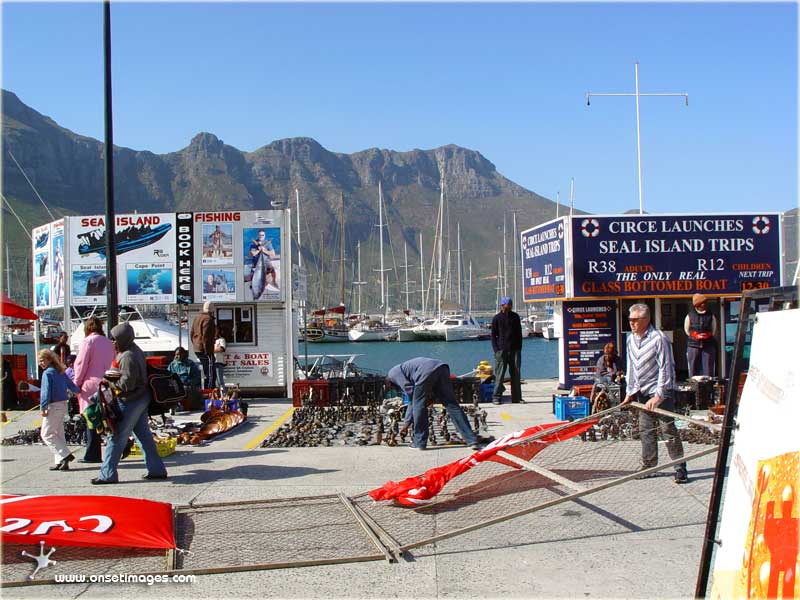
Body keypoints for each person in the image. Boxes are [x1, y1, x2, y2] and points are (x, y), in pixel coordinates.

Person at [620, 303, 688, 484]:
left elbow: (666, 368)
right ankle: (649, 465)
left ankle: (680, 467)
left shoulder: (659, 339)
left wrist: (658, 396)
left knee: (668, 430)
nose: (632, 323)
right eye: (630, 320)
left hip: (660, 391)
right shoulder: (630, 339)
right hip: (642, 391)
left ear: (646, 320)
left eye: (635, 320)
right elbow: (631, 367)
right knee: (646, 430)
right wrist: (630, 392)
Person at [92, 323, 168, 484]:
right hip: (141, 398)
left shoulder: (127, 356)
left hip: (130, 401)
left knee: (116, 436)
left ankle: (107, 474)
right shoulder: (135, 350)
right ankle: (157, 470)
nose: (112, 342)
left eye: (114, 339)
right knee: (144, 437)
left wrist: (108, 382)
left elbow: (127, 384)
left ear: (122, 339)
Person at [385, 357, 494, 451]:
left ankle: (419, 442)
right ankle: (471, 440)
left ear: (389, 383)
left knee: (419, 406)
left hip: (425, 371)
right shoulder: (402, 369)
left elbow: (412, 398)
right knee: (452, 405)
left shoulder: (393, 374)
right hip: (442, 367)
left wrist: (406, 423)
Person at [72, 316, 116, 463]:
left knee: (91, 419)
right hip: (107, 384)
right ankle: (121, 446)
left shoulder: (88, 342)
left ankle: (92, 454)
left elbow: (80, 365)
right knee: (108, 418)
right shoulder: (109, 343)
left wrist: (75, 384)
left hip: (90, 385)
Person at [38, 349, 80, 471]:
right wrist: (80, 391)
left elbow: (45, 392)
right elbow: (71, 386)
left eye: (42, 360)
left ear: (49, 360)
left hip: (53, 405)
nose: (40, 363)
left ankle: (65, 454)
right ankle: (60, 461)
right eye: (39, 361)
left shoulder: (47, 373)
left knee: (46, 434)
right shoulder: (60, 371)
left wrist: (43, 407)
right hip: (63, 405)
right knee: (58, 433)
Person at [490, 296, 523, 404]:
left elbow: (519, 334)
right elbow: (493, 336)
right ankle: (496, 397)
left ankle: (517, 398)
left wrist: (519, 348)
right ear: (502, 305)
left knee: (516, 374)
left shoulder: (515, 317)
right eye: (507, 304)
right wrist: (496, 350)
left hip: (515, 351)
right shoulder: (496, 318)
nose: (509, 306)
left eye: (510, 304)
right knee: (499, 375)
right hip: (501, 351)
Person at [684, 293, 717, 377]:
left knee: (708, 369)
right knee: (693, 368)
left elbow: (714, 330)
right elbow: (687, 330)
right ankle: (694, 387)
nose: (703, 305)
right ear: (697, 305)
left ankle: (708, 387)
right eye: (701, 303)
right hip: (693, 345)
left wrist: (706, 336)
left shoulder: (711, 315)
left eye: (705, 303)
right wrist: (696, 336)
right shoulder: (689, 316)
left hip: (708, 345)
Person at [191, 301, 216, 388]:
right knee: (211, 373)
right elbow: (206, 337)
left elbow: (192, 333)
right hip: (205, 350)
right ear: (212, 310)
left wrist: (195, 345)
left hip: (197, 348)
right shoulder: (208, 319)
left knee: (206, 372)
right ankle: (210, 392)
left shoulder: (197, 318)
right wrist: (208, 352)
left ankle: (207, 391)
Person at [249, 230, 279, 294]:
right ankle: (253, 285)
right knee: (253, 276)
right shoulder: (253, 244)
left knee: (272, 270)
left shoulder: (268, 243)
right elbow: (252, 254)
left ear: (264, 235)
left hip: (266, 262)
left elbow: (273, 253)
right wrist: (258, 250)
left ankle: (274, 281)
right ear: (258, 235)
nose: (261, 236)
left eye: (262, 235)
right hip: (256, 262)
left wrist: (264, 250)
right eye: (260, 235)